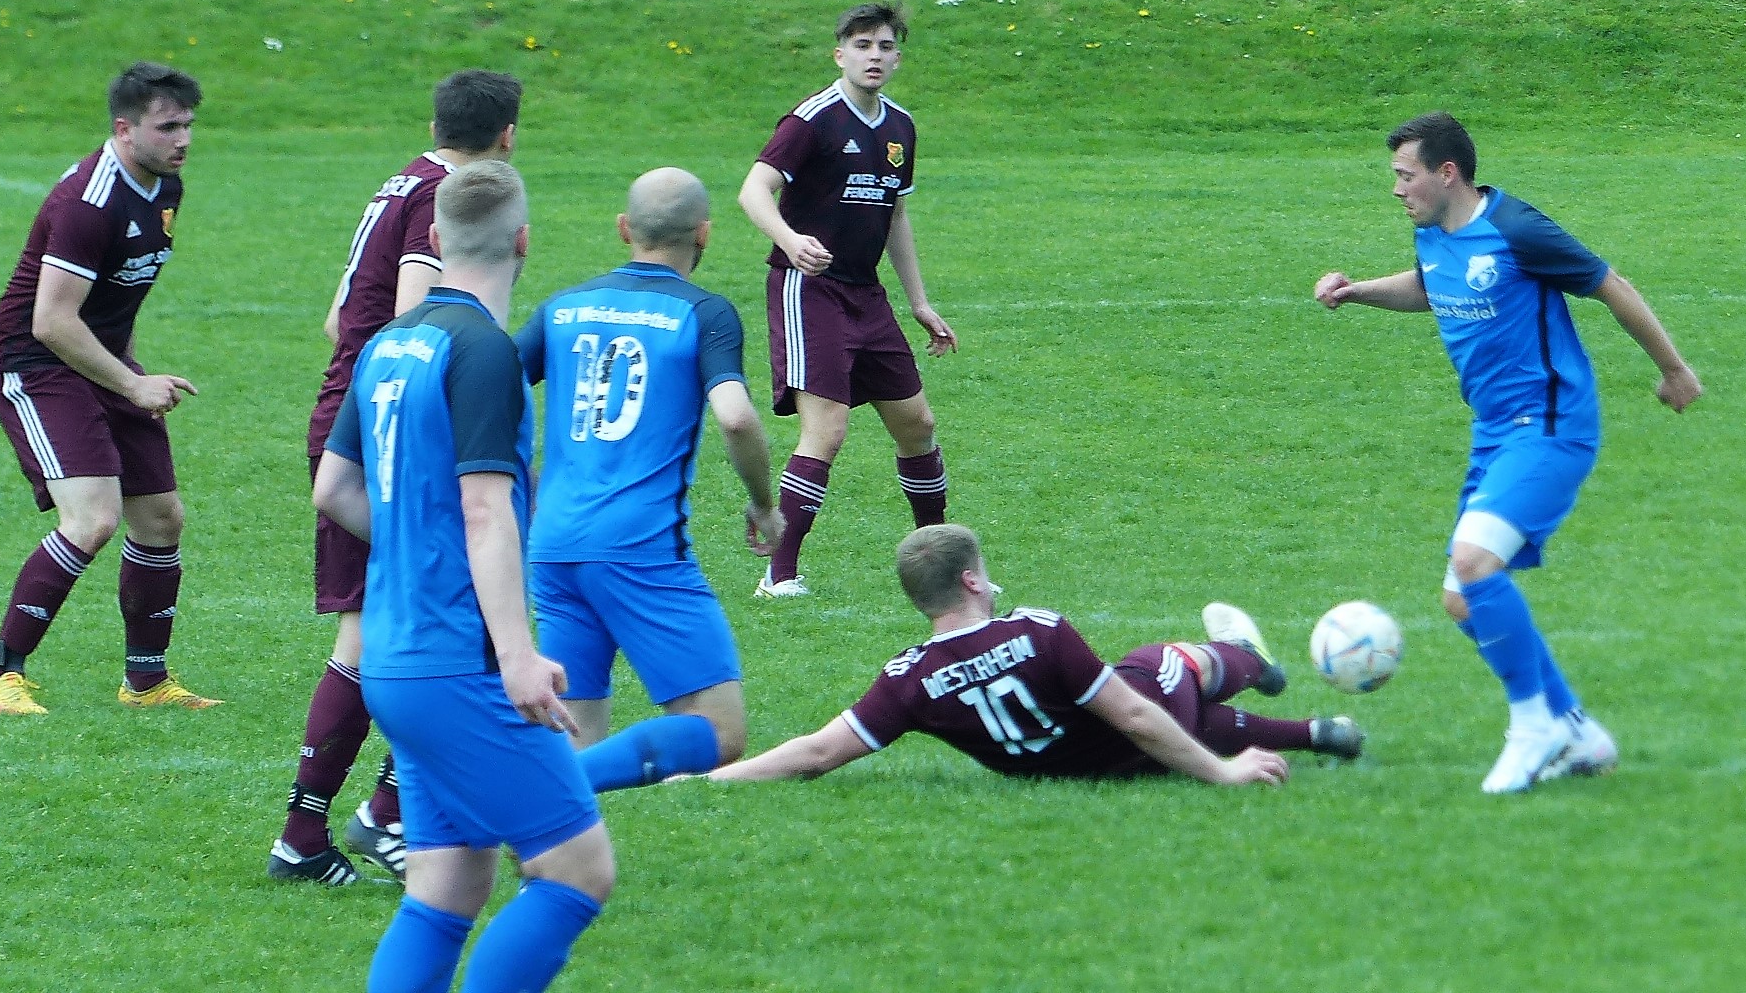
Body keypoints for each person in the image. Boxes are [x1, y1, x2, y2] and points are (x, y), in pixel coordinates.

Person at [1314, 111, 1702, 794]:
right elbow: (1432, 286)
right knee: (1462, 599)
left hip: (1551, 424)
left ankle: (1532, 727)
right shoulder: (1433, 232)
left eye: (1404, 175)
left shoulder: (1517, 229)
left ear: (1447, 173)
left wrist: (1674, 370)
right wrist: (1358, 292)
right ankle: (1574, 727)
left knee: (1473, 564)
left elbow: (1610, 284)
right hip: (1495, 430)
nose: (1396, 189)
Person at [316, 160, 612, 992]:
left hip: (394, 658)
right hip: (462, 663)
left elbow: (333, 489)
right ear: (523, 241)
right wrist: (517, 655)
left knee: (447, 887)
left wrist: (417, 545)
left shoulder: (389, 342)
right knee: (577, 870)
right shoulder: (483, 352)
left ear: (437, 239)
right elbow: (484, 510)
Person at [270, 69, 522, 887]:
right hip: (385, 429)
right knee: (386, 628)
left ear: (434, 121)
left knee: (424, 621)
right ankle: (330, 827)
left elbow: (339, 318)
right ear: (508, 135)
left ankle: (379, 813)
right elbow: (411, 312)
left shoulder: (402, 181)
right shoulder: (442, 195)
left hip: (356, 414)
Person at [709, 524, 1364, 785]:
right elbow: (1136, 717)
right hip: (1149, 730)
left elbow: (817, 753)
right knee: (1163, 662)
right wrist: (1220, 775)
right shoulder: (1037, 630)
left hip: (1101, 769)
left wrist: (710, 780)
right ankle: (1241, 654)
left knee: (1166, 708)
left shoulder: (908, 680)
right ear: (971, 580)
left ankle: (1314, 733)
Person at [514, 167, 785, 793]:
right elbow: (737, 418)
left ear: (623, 229)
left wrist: (527, 479)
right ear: (705, 234)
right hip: (640, 548)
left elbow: (485, 394)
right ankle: (527, 800)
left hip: (552, 542)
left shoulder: (563, 308)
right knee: (719, 732)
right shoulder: (704, 313)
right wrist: (763, 504)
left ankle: (540, 822)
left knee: (573, 729)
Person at [0, 61, 218, 716]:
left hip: (101, 359)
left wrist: (125, 371)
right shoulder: (89, 202)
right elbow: (51, 321)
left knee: (161, 517)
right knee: (92, 518)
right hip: (37, 364)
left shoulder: (165, 184)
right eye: (167, 127)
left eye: (188, 124)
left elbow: (116, 299)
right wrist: (132, 385)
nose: (183, 139)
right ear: (124, 128)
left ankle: (146, 683)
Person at [739, 1, 956, 599]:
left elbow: (896, 215)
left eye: (885, 46)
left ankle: (937, 564)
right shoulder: (812, 120)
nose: (874, 56)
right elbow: (753, 190)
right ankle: (778, 575)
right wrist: (791, 240)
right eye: (862, 46)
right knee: (827, 431)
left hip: (867, 293)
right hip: (807, 290)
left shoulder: (900, 126)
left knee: (917, 424)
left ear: (897, 57)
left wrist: (919, 302)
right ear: (840, 54)